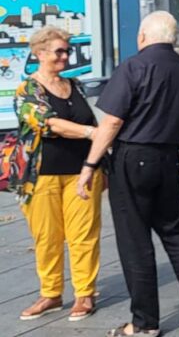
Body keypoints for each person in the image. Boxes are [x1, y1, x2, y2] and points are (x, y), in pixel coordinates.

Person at [77, 12, 179, 335]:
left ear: (143, 35)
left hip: (132, 157)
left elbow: (112, 122)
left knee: (135, 241)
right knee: (175, 230)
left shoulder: (133, 66)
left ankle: (144, 323)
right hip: (168, 157)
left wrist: (90, 165)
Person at [13, 27, 103, 323]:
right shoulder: (28, 89)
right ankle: (50, 293)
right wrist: (94, 133)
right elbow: (49, 124)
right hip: (41, 176)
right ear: (39, 53)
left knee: (83, 235)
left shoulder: (74, 84)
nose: (65, 56)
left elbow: (92, 115)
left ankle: (84, 292)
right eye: (59, 51)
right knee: (47, 237)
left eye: (67, 51)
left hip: (82, 172)